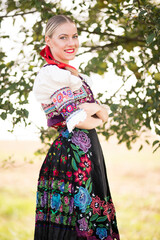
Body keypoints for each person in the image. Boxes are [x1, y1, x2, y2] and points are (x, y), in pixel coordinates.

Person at [33, 15, 120, 240]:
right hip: (70, 155)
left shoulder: (75, 75)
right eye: (63, 37)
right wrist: (97, 110)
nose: (71, 43)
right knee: (74, 224)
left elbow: (97, 115)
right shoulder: (50, 74)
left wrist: (90, 108)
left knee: (94, 216)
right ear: (49, 40)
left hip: (90, 153)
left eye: (74, 36)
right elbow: (78, 120)